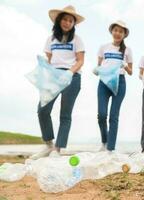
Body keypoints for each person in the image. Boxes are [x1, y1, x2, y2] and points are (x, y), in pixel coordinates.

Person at [30, 5, 85, 159]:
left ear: (74, 24)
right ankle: (48, 145)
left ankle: (58, 149)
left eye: (70, 20)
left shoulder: (77, 40)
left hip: (72, 78)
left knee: (65, 115)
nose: (67, 23)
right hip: (53, 77)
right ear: (59, 21)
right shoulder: (51, 39)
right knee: (43, 110)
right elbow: (49, 59)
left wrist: (69, 72)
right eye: (65, 19)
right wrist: (43, 64)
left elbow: (80, 61)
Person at [93, 20, 133, 152]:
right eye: (116, 30)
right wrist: (96, 69)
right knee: (102, 115)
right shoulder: (103, 47)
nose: (118, 33)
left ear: (124, 34)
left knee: (113, 116)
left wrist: (125, 65)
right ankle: (104, 142)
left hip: (120, 82)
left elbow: (131, 72)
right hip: (104, 82)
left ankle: (110, 149)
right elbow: (99, 65)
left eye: (121, 31)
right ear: (112, 31)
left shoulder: (127, 50)